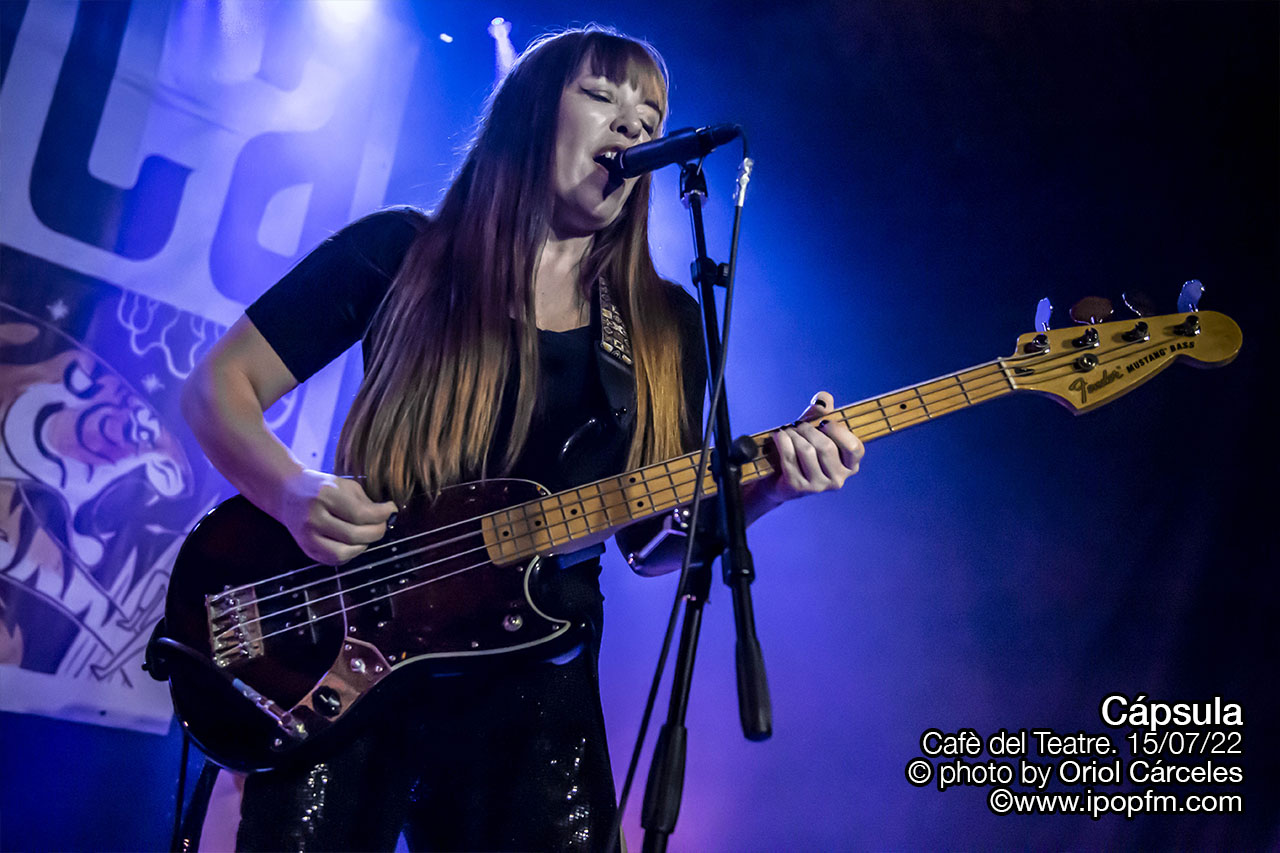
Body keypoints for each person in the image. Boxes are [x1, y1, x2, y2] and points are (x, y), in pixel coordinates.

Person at [181, 26, 863, 852]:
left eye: (650, 119)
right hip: (348, 643)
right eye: (603, 97)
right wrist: (292, 491)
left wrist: (771, 486)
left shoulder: (664, 325)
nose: (632, 126)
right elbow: (219, 386)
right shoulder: (402, 253)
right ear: (532, 115)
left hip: (533, 686)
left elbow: (653, 541)